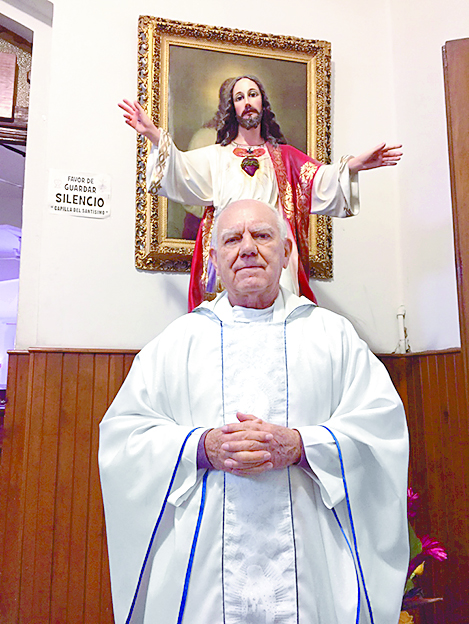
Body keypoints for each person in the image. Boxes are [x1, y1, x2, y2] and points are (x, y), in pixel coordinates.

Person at [99, 199, 409, 624]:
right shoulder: (178, 342)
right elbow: (125, 436)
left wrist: (301, 445)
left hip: (308, 568)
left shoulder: (332, 336)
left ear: (286, 251)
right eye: (232, 239)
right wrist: (202, 447)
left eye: (262, 235)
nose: (247, 248)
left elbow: (380, 429)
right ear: (214, 259)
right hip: (205, 573)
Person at [119, 75, 402, 309]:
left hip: (271, 253)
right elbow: (180, 169)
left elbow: (319, 179)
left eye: (252, 94)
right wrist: (153, 134)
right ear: (232, 108)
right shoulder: (216, 156)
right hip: (231, 252)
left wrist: (354, 166)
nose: (246, 102)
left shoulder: (284, 157)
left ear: (262, 104)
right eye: (239, 97)